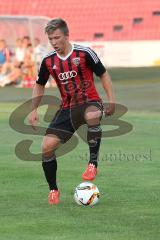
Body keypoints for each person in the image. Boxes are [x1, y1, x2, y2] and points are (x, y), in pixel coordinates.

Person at [28, 18, 115, 205]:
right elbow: (39, 84)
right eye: (50, 39)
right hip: (67, 108)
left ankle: (93, 164)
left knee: (92, 114)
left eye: (57, 37)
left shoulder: (84, 53)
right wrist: (33, 109)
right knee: (46, 147)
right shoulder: (48, 60)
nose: (53, 42)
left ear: (66, 36)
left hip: (90, 101)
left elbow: (103, 74)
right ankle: (53, 190)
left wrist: (111, 99)